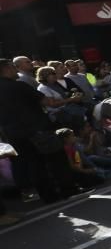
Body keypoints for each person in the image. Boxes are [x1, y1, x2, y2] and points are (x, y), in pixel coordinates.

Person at [0, 58, 77, 203]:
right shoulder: (19, 86)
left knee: (33, 163)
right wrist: (70, 100)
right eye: (12, 67)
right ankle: (68, 189)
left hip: (13, 133)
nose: (16, 70)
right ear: (6, 69)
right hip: (36, 129)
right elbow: (49, 102)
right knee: (56, 158)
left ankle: (48, 196)